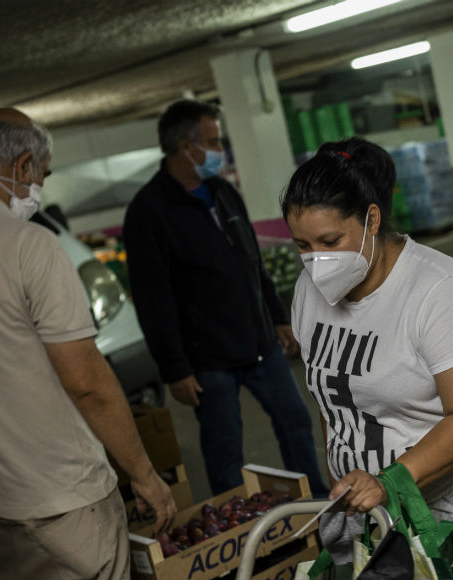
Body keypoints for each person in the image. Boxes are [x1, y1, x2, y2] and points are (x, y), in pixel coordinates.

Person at [281, 138, 453, 579]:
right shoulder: (309, 292)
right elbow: (332, 399)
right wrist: (349, 476)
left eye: (330, 240)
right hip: (378, 511)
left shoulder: (438, 290)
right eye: (302, 246)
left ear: (372, 219)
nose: (317, 260)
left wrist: (389, 481)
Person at [0, 108, 176, 579]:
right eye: (43, 175)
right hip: (59, 499)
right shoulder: (29, 245)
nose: (39, 188)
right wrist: (144, 475)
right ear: (24, 165)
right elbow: (86, 380)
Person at [124, 100, 327, 497]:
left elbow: (253, 261)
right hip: (208, 360)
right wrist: (175, 368)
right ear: (187, 148)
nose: (221, 150)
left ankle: (315, 503)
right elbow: (152, 299)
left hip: (260, 345)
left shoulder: (222, 192)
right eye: (213, 141)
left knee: (296, 421)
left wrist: (277, 317)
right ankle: (239, 524)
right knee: (225, 451)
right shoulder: (149, 211)